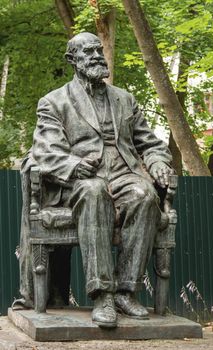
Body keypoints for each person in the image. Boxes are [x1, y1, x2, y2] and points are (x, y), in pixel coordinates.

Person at [28, 32, 173, 328]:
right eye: (87, 52)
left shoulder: (125, 99)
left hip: (122, 173)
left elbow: (150, 144)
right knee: (94, 192)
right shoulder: (54, 102)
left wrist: (158, 162)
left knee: (145, 194)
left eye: (98, 50)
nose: (96, 55)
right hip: (81, 180)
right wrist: (73, 164)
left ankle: (125, 291)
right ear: (72, 60)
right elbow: (46, 148)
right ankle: (102, 294)